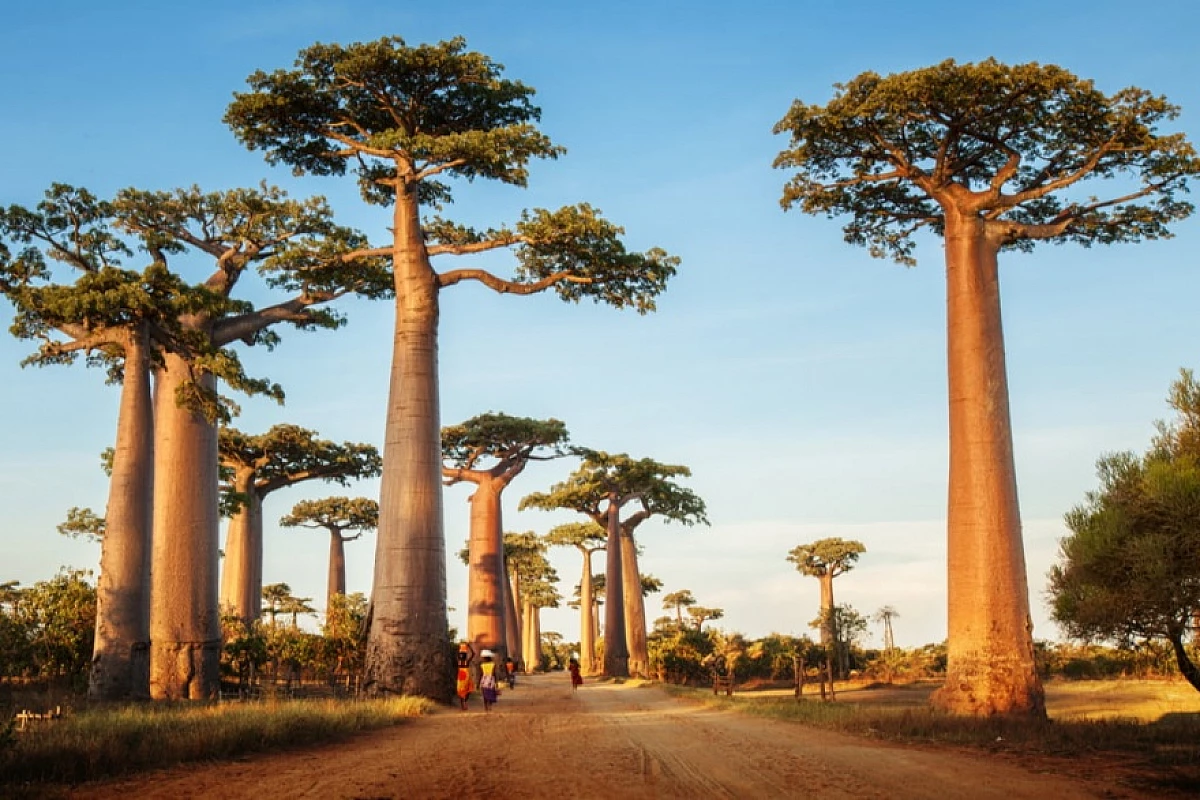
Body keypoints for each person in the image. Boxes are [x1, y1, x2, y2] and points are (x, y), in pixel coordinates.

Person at [455, 642, 476, 710]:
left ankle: (463, 704)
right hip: (464, 678)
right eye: (461, 654)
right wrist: (469, 647)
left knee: (464, 691)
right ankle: (464, 704)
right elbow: (473, 654)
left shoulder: (461, 661)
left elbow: (473, 654)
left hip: (462, 678)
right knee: (466, 691)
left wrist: (459, 648)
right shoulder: (465, 661)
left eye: (462, 654)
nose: (462, 656)